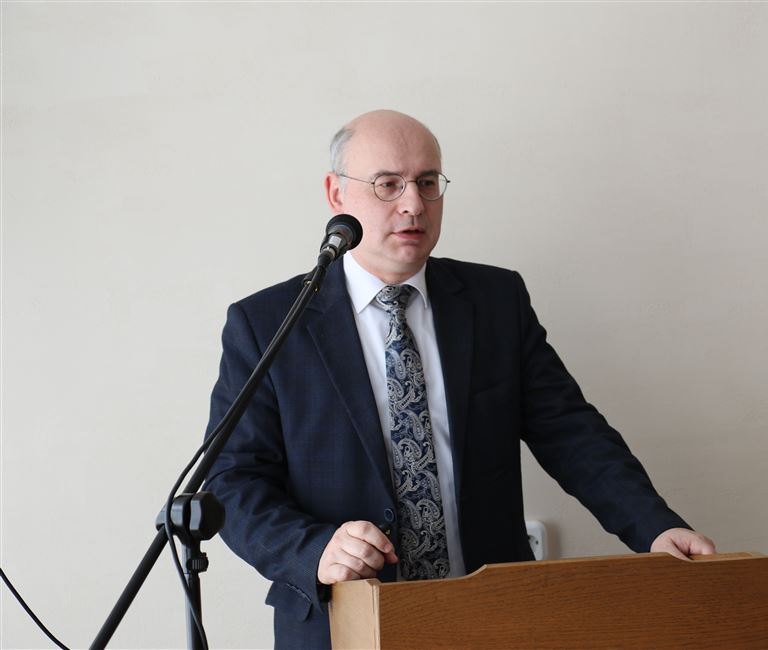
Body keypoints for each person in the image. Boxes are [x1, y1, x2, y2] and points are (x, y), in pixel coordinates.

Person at [205, 109, 715, 648]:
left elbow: (571, 432)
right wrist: (314, 549)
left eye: (427, 183)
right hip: (338, 624)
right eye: (388, 184)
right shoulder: (268, 324)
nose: (413, 204)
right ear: (337, 194)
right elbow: (231, 480)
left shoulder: (496, 302)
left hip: (491, 617)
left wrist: (654, 527)